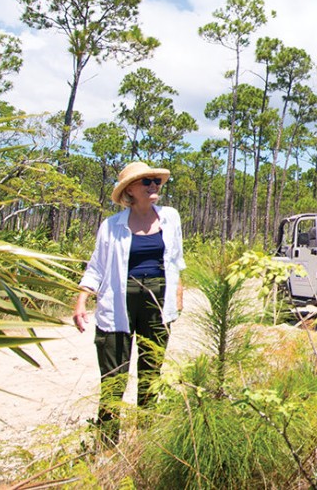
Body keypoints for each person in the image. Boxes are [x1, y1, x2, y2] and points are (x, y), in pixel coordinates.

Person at [72, 161, 185, 444]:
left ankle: (147, 442)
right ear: (130, 190)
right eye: (146, 182)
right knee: (113, 378)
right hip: (117, 304)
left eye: (156, 181)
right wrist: (81, 301)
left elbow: (175, 259)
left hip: (157, 303)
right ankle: (108, 445)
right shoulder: (111, 226)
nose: (153, 186)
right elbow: (96, 266)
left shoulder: (170, 218)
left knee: (151, 373)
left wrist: (178, 293)